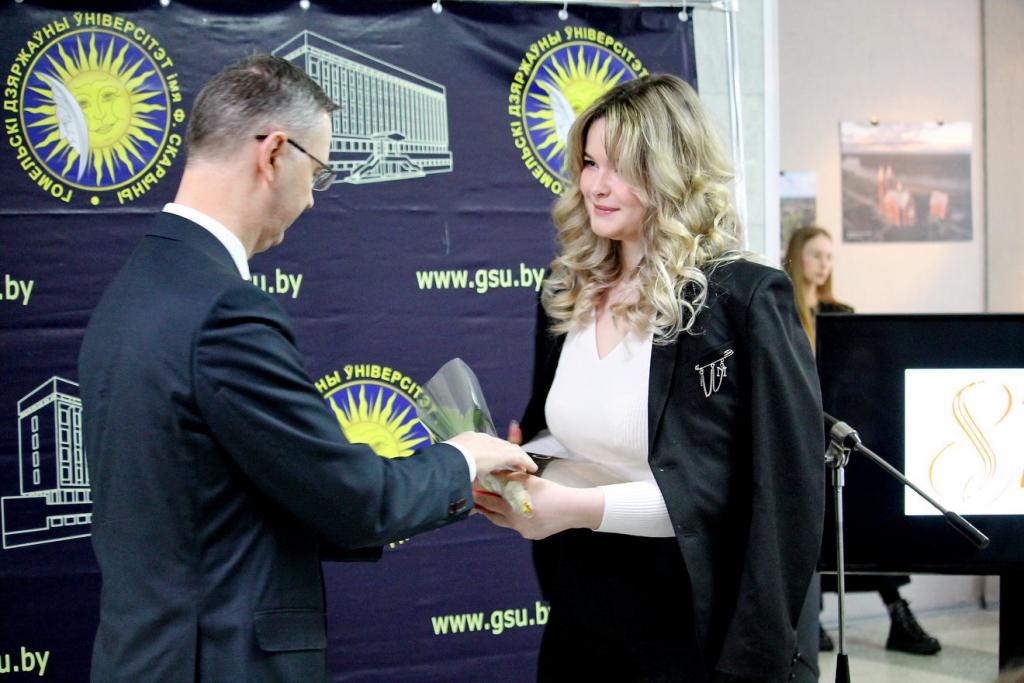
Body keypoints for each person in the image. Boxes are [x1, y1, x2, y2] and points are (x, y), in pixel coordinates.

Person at [77, 55, 534, 683]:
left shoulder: (134, 289)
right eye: (317, 171)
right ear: (273, 153)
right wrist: (462, 460)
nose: (314, 198)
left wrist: (428, 489)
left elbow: (230, 502)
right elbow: (354, 501)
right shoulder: (224, 310)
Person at [475, 74, 825, 683]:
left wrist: (575, 506)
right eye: (589, 163)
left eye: (621, 167)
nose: (596, 185)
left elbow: (755, 487)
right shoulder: (567, 289)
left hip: (691, 617)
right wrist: (527, 461)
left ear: (673, 171)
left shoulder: (741, 299)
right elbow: (571, 431)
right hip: (582, 608)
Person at [783, 225, 941, 655]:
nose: (824, 264)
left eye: (829, 257)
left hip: (837, 432)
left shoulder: (839, 313)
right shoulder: (782, 312)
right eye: (816, 255)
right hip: (797, 434)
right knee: (809, 527)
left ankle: (897, 612)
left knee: (863, 521)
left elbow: (859, 377)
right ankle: (813, 619)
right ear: (797, 256)